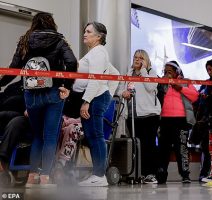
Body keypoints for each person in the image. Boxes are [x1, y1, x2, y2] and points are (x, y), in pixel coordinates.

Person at [5, 12, 77, 186]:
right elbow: (72, 62)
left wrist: (1, 83)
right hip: (54, 93)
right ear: (51, 23)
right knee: (51, 136)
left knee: (38, 135)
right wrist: (66, 86)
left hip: (31, 94)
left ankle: (31, 176)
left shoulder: (25, 40)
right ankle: (45, 177)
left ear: (34, 24)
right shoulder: (59, 40)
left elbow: (14, 67)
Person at [72, 21, 111, 187]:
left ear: (99, 36)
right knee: (92, 136)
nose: (85, 34)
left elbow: (95, 80)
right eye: (84, 31)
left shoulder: (98, 53)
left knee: (96, 136)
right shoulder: (95, 53)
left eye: (89, 31)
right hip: (96, 97)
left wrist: (86, 101)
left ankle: (100, 176)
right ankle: (97, 174)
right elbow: (113, 73)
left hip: (95, 98)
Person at [118, 49, 161, 183]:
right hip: (132, 115)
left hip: (149, 115)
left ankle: (151, 173)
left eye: (141, 58)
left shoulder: (151, 73)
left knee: (149, 145)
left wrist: (143, 70)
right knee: (136, 145)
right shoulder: (129, 73)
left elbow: (150, 87)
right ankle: (139, 173)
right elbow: (120, 89)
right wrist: (123, 92)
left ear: (146, 60)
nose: (137, 60)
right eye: (135, 57)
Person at [156, 61, 198, 184]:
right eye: (165, 71)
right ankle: (161, 175)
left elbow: (195, 96)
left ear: (177, 72)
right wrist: (162, 83)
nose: (167, 74)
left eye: (170, 71)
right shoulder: (162, 83)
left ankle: (185, 175)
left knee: (182, 149)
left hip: (181, 120)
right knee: (163, 149)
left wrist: (179, 88)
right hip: (164, 120)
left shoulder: (185, 81)